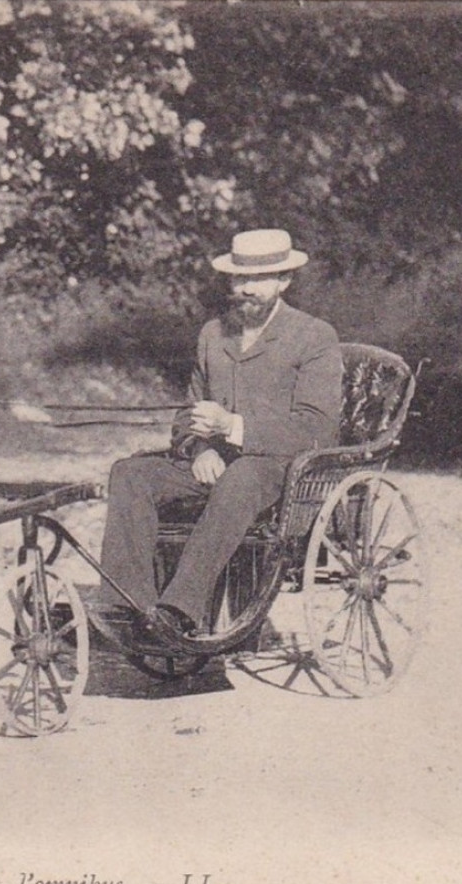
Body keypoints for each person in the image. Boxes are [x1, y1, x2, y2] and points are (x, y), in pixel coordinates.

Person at [95, 228, 344, 640]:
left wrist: (232, 427)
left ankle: (179, 612)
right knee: (130, 473)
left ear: (284, 281)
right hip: (215, 466)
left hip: (280, 473)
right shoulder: (213, 334)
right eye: (238, 279)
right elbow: (186, 414)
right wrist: (198, 448)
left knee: (242, 476)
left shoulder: (314, 337)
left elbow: (317, 429)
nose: (245, 289)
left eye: (258, 280)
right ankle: (128, 610)